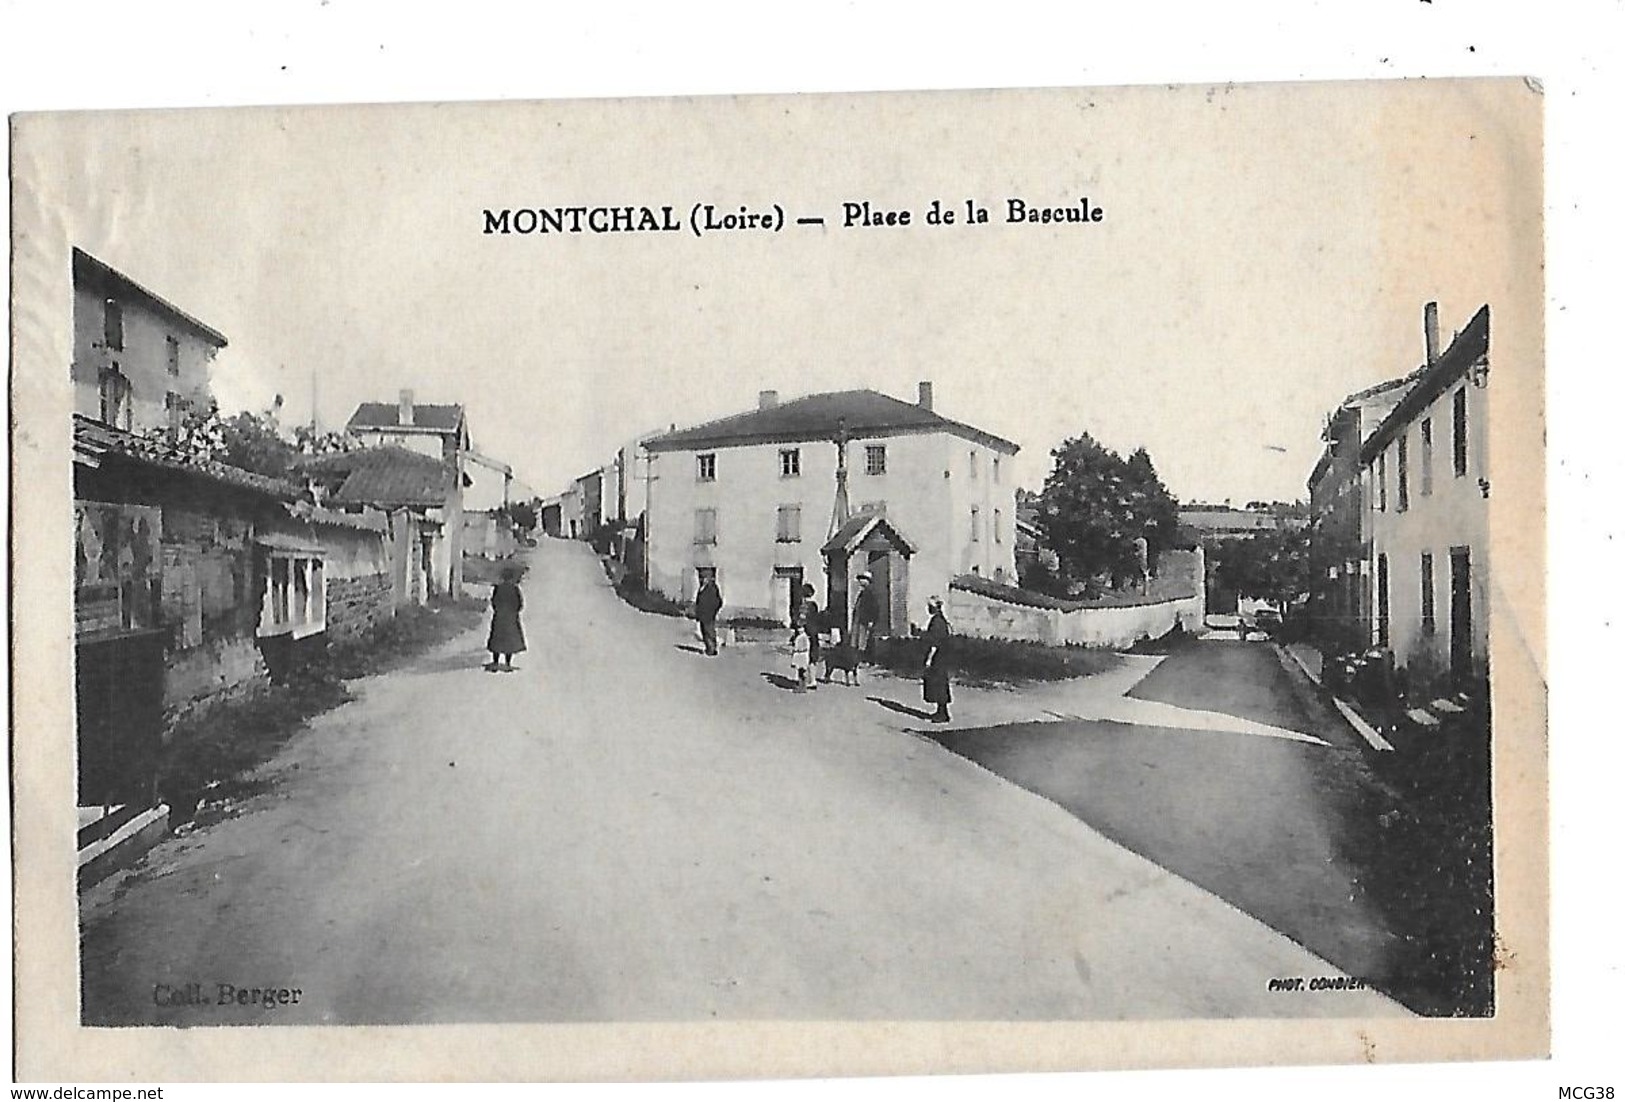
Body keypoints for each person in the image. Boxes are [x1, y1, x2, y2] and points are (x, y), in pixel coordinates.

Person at [486, 564, 526, 672]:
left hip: (499, 617)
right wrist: (514, 612)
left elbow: (494, 601)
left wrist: (498, 611)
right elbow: (520, 604)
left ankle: (495, 662)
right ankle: (508, 663)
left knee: (497, 640)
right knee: (509, 642)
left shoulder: (498, 588)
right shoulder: (515, 589)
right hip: (511, 618)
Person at [922, 595, 953, 723]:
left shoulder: (937, 622)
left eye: (930, 607)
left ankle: (942, 714)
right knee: (940, 683)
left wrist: (929, 659)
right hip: (943, 656)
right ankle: (942, 711)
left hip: (937, 657)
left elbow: (935, 642)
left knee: (937, 683)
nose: (928, 609)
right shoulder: (941, 620)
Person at [852, 571, 879, 661]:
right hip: (859, 620)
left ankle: (866, 660)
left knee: (863, 641)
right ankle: (858, 660)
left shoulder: (870, 593)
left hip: (865, 620)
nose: (860, 581)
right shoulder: (862, 593)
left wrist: (871, 620)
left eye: (862, 579)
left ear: (867, 581)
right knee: (858, 640)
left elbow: (874, 608)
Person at [799, 583, 824, 681]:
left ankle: (803, 681)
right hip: (814, 632)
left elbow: (802, 620)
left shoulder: (804, 606)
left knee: (803, 656)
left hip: (806, 633)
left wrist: (799, 630)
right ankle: (813, 680)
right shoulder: (814, 605)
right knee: (813, 657)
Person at [695, 572, 723, 656]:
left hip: (709, 614)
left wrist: (713, 610)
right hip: (703, 614)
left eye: (704, 578)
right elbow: (699, 602)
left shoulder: (712, 587)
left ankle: (712, 649)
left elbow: (719, 601)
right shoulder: (702, 588)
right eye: (701, 578)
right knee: (704, 631)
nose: (702, 580)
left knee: (709, 631)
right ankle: (709, 648)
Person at [789, 622, 812, 693]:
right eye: (798, 628)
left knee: (803, 672)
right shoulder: (798, 636)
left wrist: (799, 649)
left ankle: (803, 687)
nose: (800, 630)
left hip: (802, 655)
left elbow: (806, 647)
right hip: (798, 656)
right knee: (799, 671)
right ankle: (800, 686)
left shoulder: (804, 637)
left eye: (801, 628)